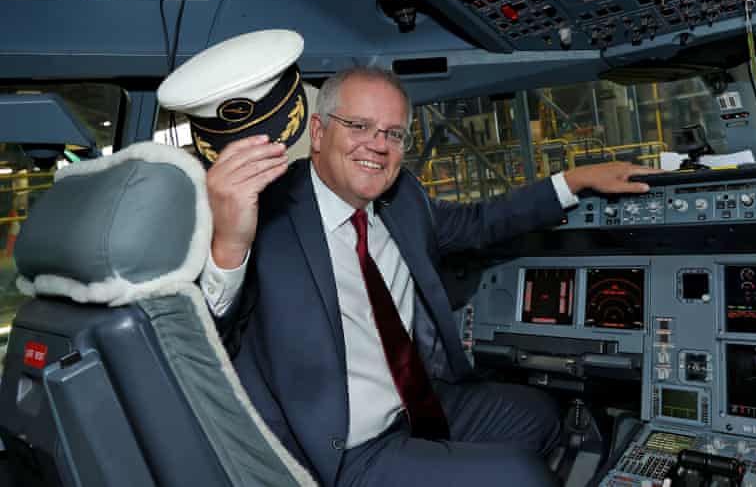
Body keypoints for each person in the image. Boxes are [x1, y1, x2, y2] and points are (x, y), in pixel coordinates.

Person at [162, 31, 659, 487]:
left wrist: (576, 180)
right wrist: (229, 245)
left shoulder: (402, 200)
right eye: (359, 126)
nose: (378, 145)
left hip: (416, 404)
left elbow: (482, 221)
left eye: (394, 133)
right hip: (342, 450)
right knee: (521, 477)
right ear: (317, 132)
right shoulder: (263, 219)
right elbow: (206, 351)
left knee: (539, 414)